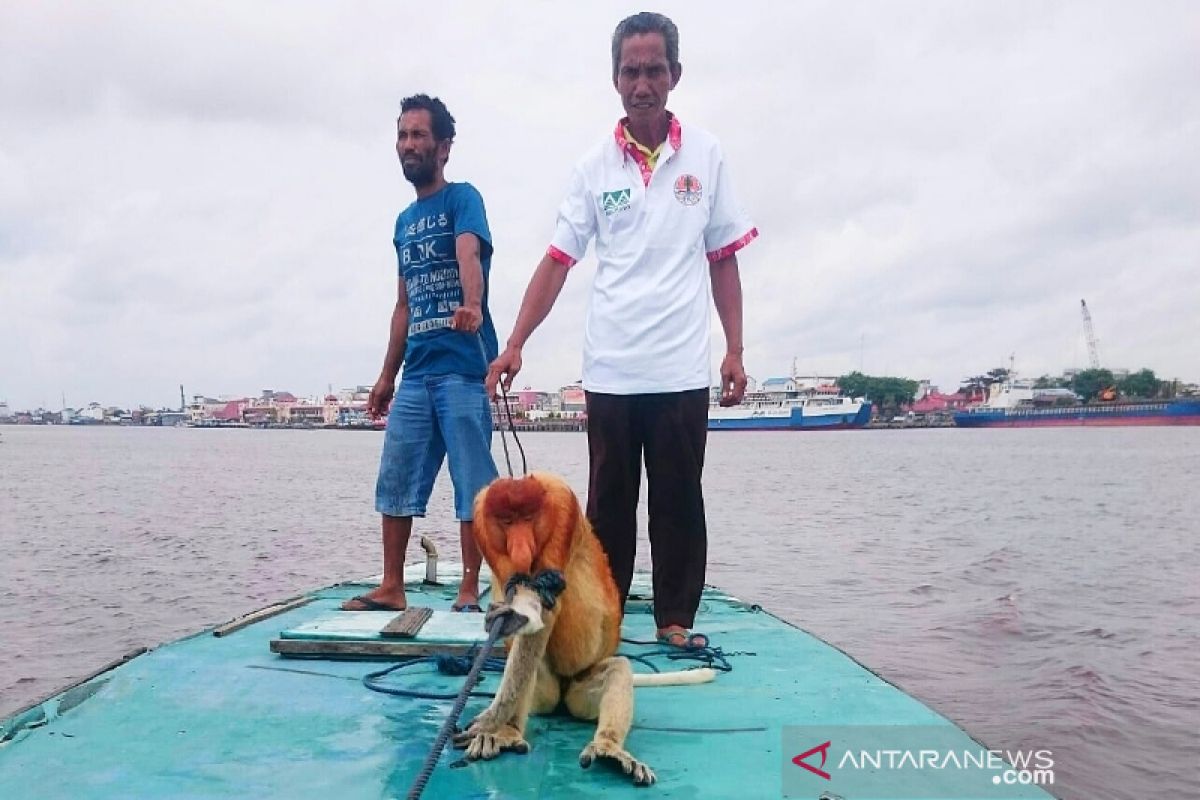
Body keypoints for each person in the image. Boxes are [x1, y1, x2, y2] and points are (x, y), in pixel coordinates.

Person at [486, 13, 755, 647]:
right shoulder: (593, 168)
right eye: (631, 71)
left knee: (679, 505)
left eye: (654, 69)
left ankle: (674, 623)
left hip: (683, 369)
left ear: (675, 75)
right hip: (610, 369)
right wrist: (516, 343)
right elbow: (557, 261)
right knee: (607, 510)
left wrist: (736, 350)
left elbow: (724, 259)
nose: (642, 83)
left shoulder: (707, 157)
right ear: (615, 79)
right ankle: (601, 618)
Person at [342, 94, 499, 613]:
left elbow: (468, 252)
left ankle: (470, 588)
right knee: (396, 475)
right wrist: (386, 376)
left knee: (472, 482)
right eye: (403, 136)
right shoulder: (404, 222)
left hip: (461, 367)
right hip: (416, 372)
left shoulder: (462, 198)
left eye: (419, 136)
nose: (409, 145)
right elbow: (403, 303)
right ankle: (391, 586)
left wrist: (471, 304)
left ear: (443, 147)